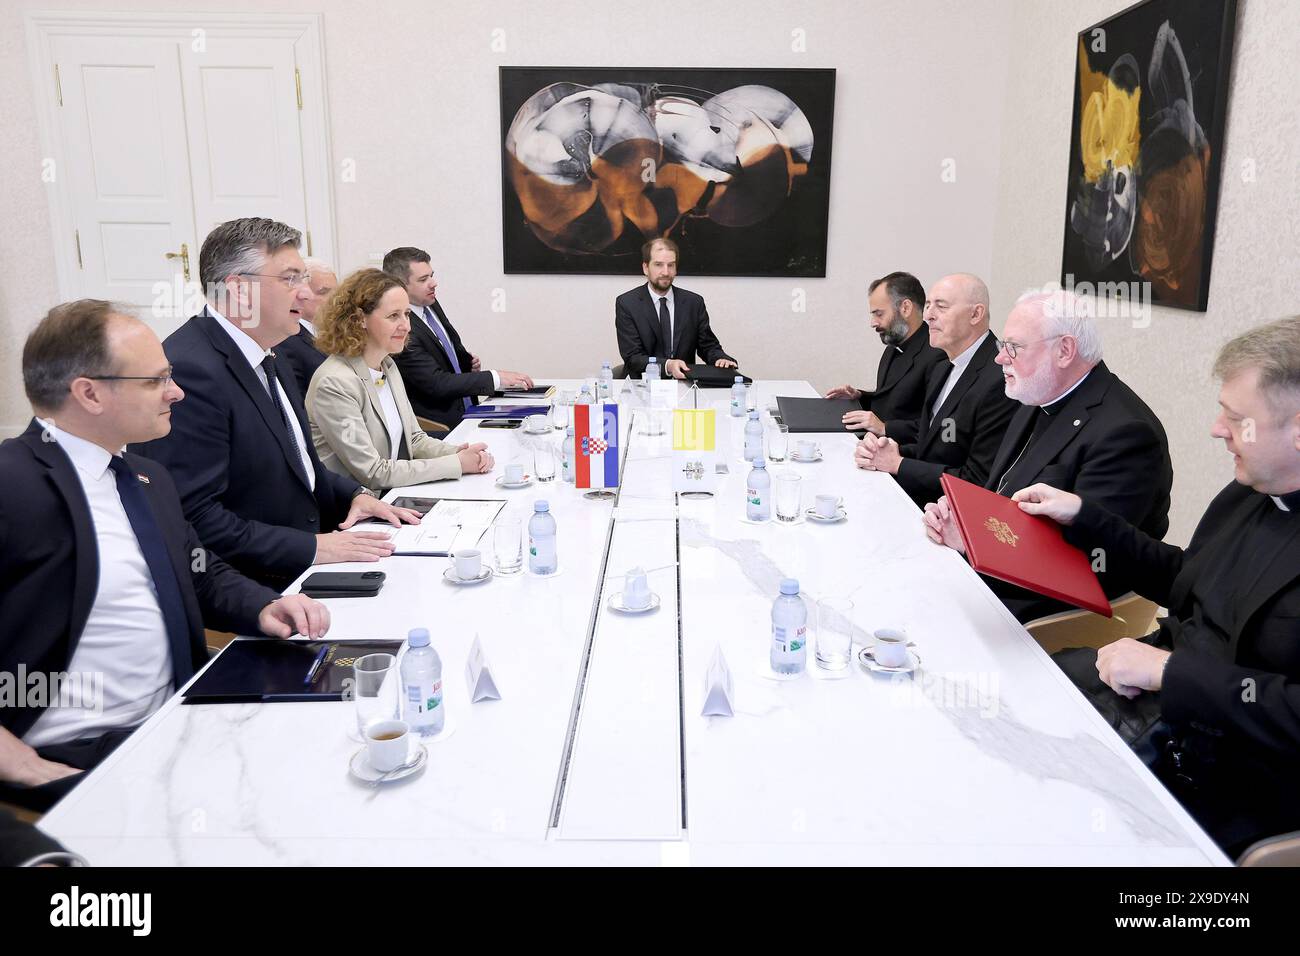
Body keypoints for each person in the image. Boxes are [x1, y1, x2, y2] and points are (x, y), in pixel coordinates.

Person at [1, 300, 330, 811]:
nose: (175, 392)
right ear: (88, 393)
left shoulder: (146, 478)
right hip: (82, 754)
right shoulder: (12, 484)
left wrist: (262, 606)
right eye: (155, 381)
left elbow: (199, 574)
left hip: (181, 715)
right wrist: (13, 759)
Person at [1013, 317, 1300, 855]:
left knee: (1042, 817)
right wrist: (1084, 515)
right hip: (1159, 698)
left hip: (1239, 769)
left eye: (1236, 418)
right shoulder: (1249, 493)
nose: (1217, 428)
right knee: (1012, 698)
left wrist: (1172, 673)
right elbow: (1187, 582)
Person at [135, 218, 420, 589]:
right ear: (239, 290)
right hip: (251, 585)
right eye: (290, 279)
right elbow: (195, 518)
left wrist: (355, 495)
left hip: (306, 553)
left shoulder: (272, 352)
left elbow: (300, 467)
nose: (305, 293)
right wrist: (315, 548)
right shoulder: (190, 371)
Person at [922, 290, 1172, 621]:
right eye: (1002, 347)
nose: (1000, 359)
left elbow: (1084, 563)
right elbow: (1001, 490)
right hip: (1001, 571)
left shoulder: (1126, 434)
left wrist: (971, 544)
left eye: (1014, 347)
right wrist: (961, 519)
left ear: (1065, 350)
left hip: (1056, 610)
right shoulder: (1038, 395)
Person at [307, 269, 495, 493]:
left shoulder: (387, 365)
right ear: (359, 320)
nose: (406, 326)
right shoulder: (335, 383)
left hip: (395, 492)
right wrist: (456, 464)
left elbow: (414, 440)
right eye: (393, 316)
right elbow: (374, 472)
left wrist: (458, 452)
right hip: (358, 509)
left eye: (406, 314)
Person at [855, 273, 1017, 506]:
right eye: (928, 305)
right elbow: (929, 444)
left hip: (947, 513)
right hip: (916, 496)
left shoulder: (999, 379)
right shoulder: (943, 367)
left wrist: (898, 463)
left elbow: (977, 481)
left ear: (976, 314)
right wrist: (891, 449)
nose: (928, 315)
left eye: (941, 306)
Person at [384, 246, 533, 429]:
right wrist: (495, 378)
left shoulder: (429, 303)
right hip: (442, 425)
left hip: (470, 409)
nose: (433, 283)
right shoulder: (402, 329)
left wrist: (464, 362)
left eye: (432, 275)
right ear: (399, 286)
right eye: (423, 279)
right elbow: (436, 383)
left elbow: (444, 349)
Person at [824, 271, 946, 437]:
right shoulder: (893, 347)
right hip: (874, 444)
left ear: (905, 308)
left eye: (879, 314)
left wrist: (884, 428)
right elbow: (894, 403)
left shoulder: (938, 355)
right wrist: (859, 398)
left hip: (904, 454)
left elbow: (936, 426)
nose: (873, 323)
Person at [615, 237, 737, 380]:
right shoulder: (627, 303)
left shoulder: (694, 302)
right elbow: (633, 357)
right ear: (646, 268)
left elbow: (708, 345)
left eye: (671, 265)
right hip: (642, 387)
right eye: (659, 265)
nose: (666, 272)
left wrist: (720, 359)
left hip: (684, 385)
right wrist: (668, 365)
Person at [278, 257, 336, 397]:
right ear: (301, 293)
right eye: (324, 292)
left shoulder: (334, 332)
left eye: (337, 292)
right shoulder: (287, 341)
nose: (335, 299)